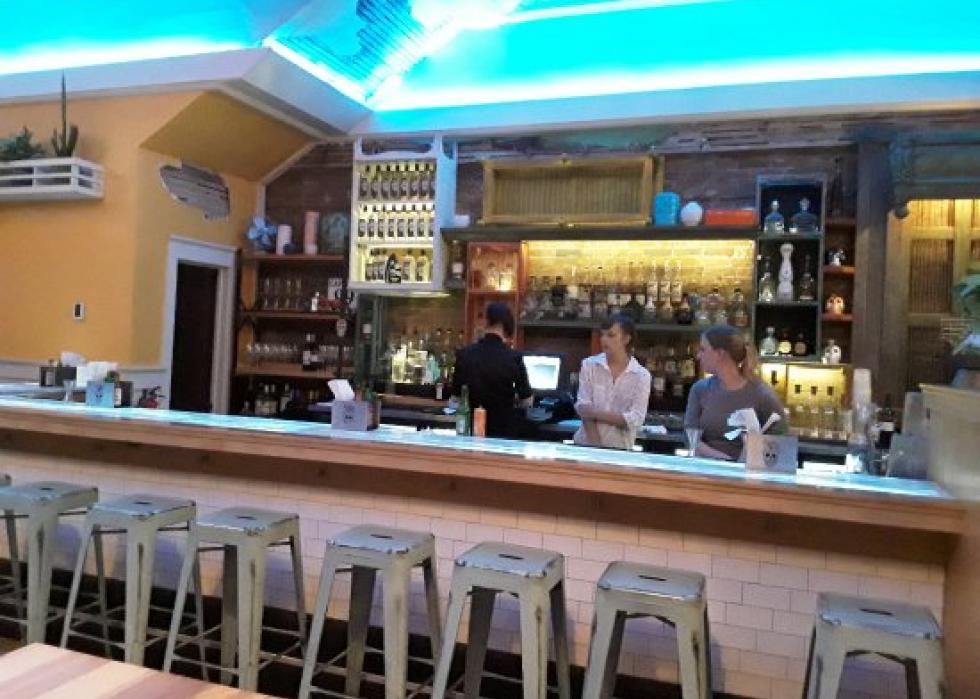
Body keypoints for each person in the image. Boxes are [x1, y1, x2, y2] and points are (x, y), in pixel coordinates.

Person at [685, 325, 786, 461]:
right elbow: (690, 436)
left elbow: (780, 444)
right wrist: (724, 461)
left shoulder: (762, 395)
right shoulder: (700, 389)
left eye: (703, 350)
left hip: (746, 472)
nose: (698, 356)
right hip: (704, 469)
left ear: (720, 354)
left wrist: (741, 462)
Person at [451, 302, 533, 438]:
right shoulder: (514, 358)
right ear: (508, 325)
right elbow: (527, 401)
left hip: (470, 432)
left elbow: (455, 399)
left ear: (485, 322)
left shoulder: (464, 354)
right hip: (503, 434)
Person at [574, 313, 652, 450]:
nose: (604, 340)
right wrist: (596, 447)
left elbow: (636, 419)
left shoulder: (641, 376)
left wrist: (594, 413)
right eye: (602, 335)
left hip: (620, 450)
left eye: (611, 335)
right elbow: (583, 407)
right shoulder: (589, 365)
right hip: (585, 447)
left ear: (626, 339)